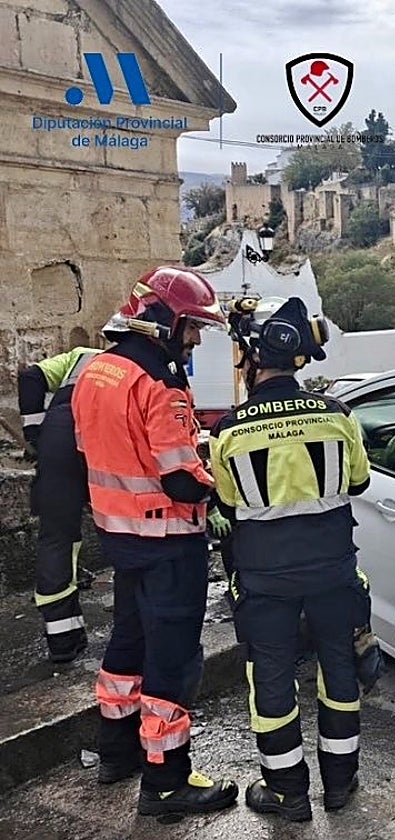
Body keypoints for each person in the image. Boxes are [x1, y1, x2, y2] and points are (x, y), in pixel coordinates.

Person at [72, 266, 238, 815]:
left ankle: (116, 754)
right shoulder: (159, 383)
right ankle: (166, 782)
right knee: (172, 660)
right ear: (163, 319)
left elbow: (95, 451)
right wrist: (222, 485)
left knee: (127, 645)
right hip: (168, 539)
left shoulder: (97, 370)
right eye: (192, 327)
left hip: (119, 537)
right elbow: (180, 479)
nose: (195, 340)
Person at [209, 295, 372, 821]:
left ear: (254, 357)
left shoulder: (228, 432)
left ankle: (286, 793)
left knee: (271, 681)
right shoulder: (337, 416)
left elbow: (228, 505)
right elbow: (359, 482)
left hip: (265, 581)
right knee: (339, 671)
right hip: (333, 572)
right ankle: (340, 785)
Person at [18, 345, 101, 663]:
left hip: (57, 437)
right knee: (126, 532)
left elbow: (30, 377)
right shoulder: (143, 365)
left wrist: (35, 434)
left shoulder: (81, 356)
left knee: (57, 539)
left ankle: (63, 641)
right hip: (99, 437)